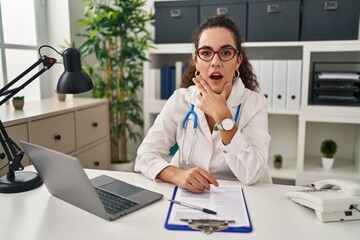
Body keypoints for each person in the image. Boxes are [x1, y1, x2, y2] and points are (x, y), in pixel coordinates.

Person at [135, 15, 271, 193]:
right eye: (206, 53)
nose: (215, 62)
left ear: (238, 60)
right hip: (190, 197)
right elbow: (144, 155)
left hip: (240, 198)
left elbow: (251, 174)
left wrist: (223, 116)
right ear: (196, 61)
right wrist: (175, 174)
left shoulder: (255, 104)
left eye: (226, 53)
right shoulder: (180, 101)